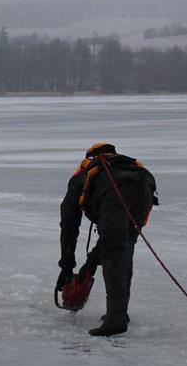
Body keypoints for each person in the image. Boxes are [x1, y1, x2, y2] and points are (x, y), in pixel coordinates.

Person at [57, 143, 158, 336]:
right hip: (144, 189)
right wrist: (87, 268)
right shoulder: (129, 168)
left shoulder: (86, 173)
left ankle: (116, 318)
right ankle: (120, 312)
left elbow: (69, 224)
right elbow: (110, 238)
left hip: (115, 194)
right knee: (123, 246)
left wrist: (66, 266)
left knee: (115, 249)